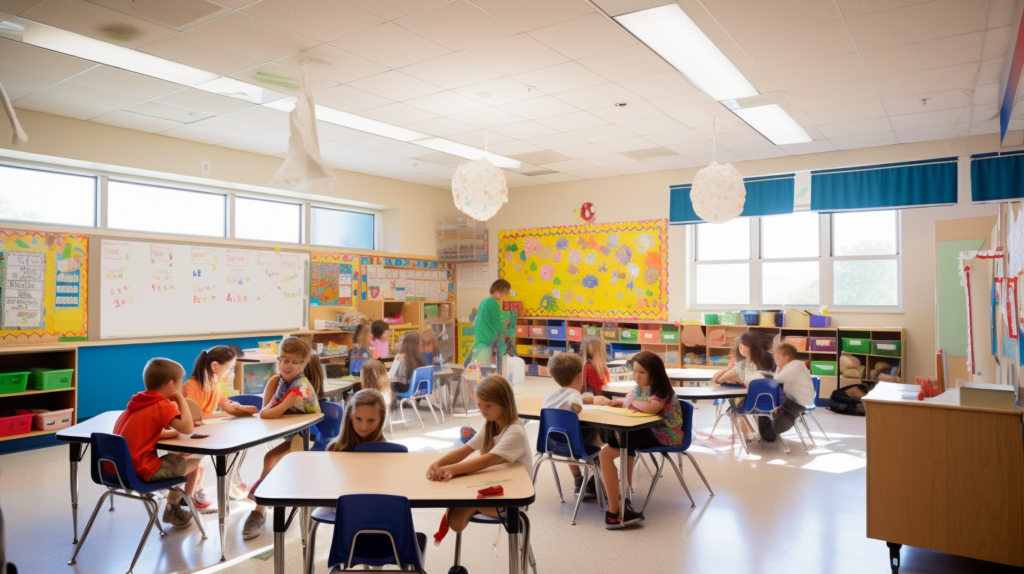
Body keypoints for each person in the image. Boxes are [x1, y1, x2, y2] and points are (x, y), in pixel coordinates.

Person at [426, 375, 532, 535]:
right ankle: (472, 504)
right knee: (454, 515)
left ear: (505, 403)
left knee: (455, 518)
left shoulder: (515, 431)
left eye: (488, 406)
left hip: (512, 498)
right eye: (480, 405)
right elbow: (466, 449)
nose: (483, 411)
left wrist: (452, 470)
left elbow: (488, 461)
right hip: (494, 486)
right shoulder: (491, 424)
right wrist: (437, 464)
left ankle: (473, 505)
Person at [242, 338, 323, 539]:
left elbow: (268, 413)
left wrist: (272, 407)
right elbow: (267, 409)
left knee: (271, 459)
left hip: (308, 439)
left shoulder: (299, 388)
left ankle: (259, 509)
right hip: (291, 435)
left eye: (294, 362)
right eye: (284, 359)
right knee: (270, 459)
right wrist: (271, 404)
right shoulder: (278, 381)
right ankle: (263, 499)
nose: (287, 365)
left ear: (304, 364)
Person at [599, 351, 684, 529]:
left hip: (665, 435)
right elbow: (635, 400)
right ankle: (624, 499)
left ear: (654, 373)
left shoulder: (662, 389)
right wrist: (624, 401)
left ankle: (615, 512)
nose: (637, 376)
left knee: (612, 448)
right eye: (635, 371)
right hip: (646, 430)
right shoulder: (641, 389)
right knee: (616, 445)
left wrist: (631, 401)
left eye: (642, 372)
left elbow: (651, 407)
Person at [114, 358, 201, 527]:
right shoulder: (161, 404)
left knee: (177, 458)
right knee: (195, 460)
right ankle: (175, 507)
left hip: (117, 469)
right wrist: (180, 398)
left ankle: (176, 505)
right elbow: (188, 428)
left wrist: (170, 432)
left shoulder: (138, 401)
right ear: (172, 385)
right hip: (141, 470)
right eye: (180, 383)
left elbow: (146, 430)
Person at [181, 346, 260, 510]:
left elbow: (225, 403)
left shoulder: (213, 383)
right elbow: (192, 416)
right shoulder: (192, 385)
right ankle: (196, 490)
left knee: (233, 447)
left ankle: (228, 483)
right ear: (215, 366)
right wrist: (223, 415)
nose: (230, 372)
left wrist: (242, 409)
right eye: (230, 368)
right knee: (200, 457)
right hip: (189, 436)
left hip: (205, 432)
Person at [544, 352, 610, 498]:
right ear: (580, 376)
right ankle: (599, 484)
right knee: (597, 436)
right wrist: (578, 406)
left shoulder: (550, 394)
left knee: (567, 437)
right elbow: (577, 406)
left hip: (553, 443)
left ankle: (578, 481)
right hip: (578, 446)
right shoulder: (574, 394)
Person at [710, 331, 774, 440]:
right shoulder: (765, 361)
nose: (742, 348)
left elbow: (717, 380)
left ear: (753, 347)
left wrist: (726, 373)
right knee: (734, 401)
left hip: (751, 402)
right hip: (769, 402)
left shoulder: (743, 365)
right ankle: (749, 432)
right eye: (741, 345)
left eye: (746, 345)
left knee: (731, 404)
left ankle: (746, 434)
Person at [759, 342, 816, 443]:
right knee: (769, 401)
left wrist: (778, 368)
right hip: (795, 400)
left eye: (777, 357)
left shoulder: (795, 366)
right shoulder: (795, 365)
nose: (775, 360)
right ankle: (766, 434)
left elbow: (777, 378)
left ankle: (767, 435)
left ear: (786, 356)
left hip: (797, 403)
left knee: (765, 402)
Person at [468, 279, 515, 366]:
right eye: (503, 293)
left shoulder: (485, 301)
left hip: (480, 340)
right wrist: (504, 325)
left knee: (476, 365)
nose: (504, 295)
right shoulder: (493, 303)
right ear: (497, 290)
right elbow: (497, 324)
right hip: (486, 342)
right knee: (482, 368)